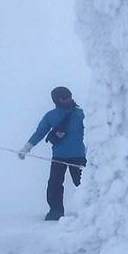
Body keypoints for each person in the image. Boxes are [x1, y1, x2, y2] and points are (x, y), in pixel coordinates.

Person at [19, 86, 87, 220]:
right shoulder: (51, 116)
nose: (70, 100)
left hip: (79, 156)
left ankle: (93, 208)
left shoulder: (81, 114)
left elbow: (93, 130)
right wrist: (27, 148)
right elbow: (40, 132)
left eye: (70, 97)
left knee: (84, 184)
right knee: (55, 184)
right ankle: (55, 211)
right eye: (66, 98)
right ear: (58, 100)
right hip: (58, 156)